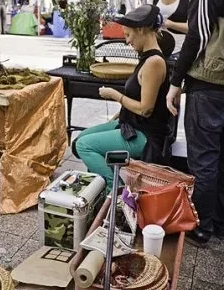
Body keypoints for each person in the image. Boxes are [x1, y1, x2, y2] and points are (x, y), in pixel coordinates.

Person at [75, 4, 170, 192]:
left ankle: (116, 189)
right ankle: (102, 183)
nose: (127, 41)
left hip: (145, 135)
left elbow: (146, 108)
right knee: (79, 141)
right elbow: (137, 98)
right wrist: (117, 116)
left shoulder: (155, 62)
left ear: (142, 30)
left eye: (128, 35)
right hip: (130, 125)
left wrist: (116, 96)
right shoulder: (146, 58)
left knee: (85, 145)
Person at [166, 0, 224, 247]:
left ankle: (200, 228)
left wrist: (175, 81)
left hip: (211, 83)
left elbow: (197, 35)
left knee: (204, 160)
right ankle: (219, 223)